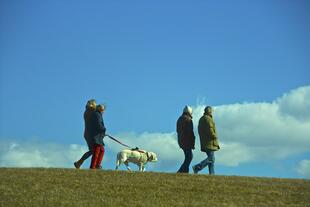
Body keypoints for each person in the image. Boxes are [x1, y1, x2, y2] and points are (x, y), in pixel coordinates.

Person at [192, 106, 220, 175]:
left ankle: (212, 174)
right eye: (211, 111)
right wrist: (215, 136)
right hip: (210, 141)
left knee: (211, 160)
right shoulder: (208, 119)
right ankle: (197, 167)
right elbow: (210, 129)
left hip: (205, 141)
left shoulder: (201, 119)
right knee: (211, 158)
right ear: (209, 111)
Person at [74, 99, 97, 169]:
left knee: (93, 150)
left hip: (88, 133)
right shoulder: (90, 111)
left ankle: (79, 162)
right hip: (90, 134)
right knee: (94, 150)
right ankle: (80, 162)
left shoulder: (87, 112)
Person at [176, 105, 195, 173]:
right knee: (189, 157)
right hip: (187, 141)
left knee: (188, 157)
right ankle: (181, 171)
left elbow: (178, 130)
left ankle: (185, 171)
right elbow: (190, 132)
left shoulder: (180, 119)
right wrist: (192, 142)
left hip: (181, 140)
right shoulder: (188, 120)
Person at [90, 104, 106, 169]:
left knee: (102, 150)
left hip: (98, 136)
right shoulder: (97, 115)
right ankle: (93, 166)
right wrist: (104, 129)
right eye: (103, 109)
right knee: (96, 151)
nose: (103, 111)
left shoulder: (98, 114)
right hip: (96, 136)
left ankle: (97, 165)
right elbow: (98, 125)